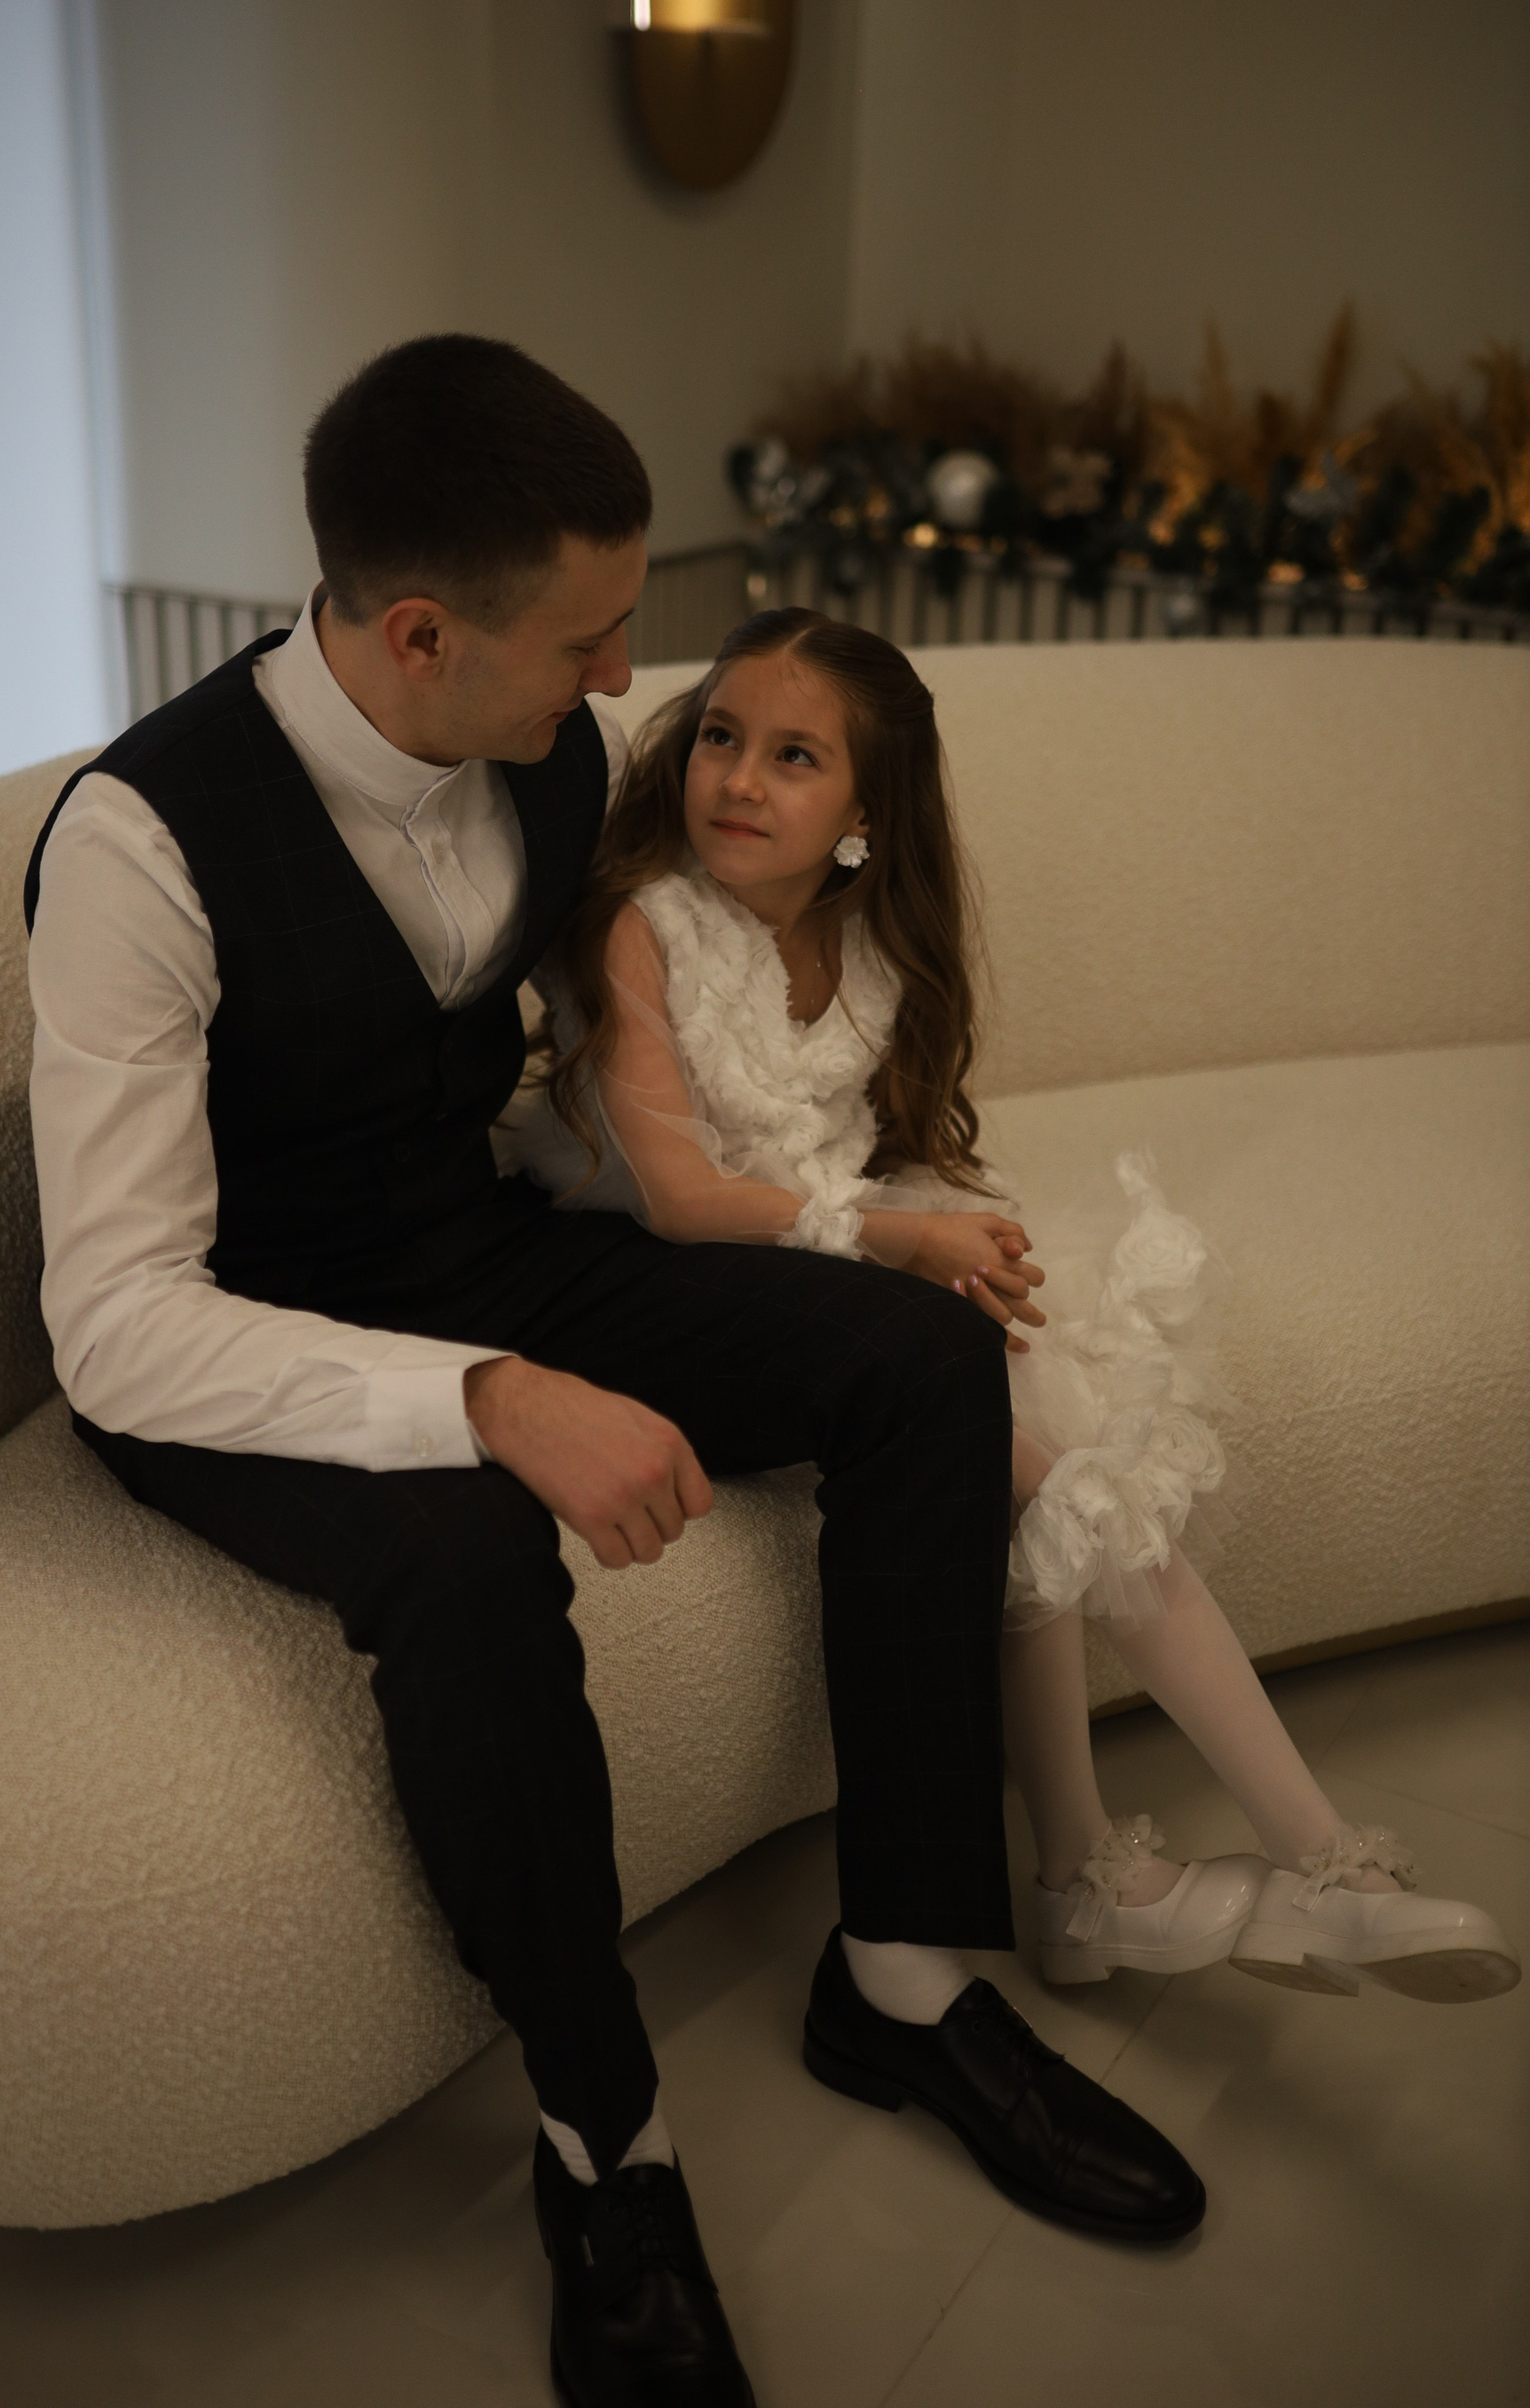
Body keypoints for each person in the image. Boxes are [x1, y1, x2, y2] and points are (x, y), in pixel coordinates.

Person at [24, 337, 1205, 2408]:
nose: (620, 678)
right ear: (419, 632)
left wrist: (838, 1185)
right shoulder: (142, 846)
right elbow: (119, 1318)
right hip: (238, 1336)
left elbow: (691, 989)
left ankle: (901, 1978)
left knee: (920, 1363)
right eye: (586, 638)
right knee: (474, 1562)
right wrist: (486, 1402)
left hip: (481, 1248)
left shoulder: (560, 756)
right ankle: (606, 2146)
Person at [509, 603, 1520, 2018]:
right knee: (1047, 1468)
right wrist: (900, 1237)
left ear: (867, 813)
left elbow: (846, 1148)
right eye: (722, 737)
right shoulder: (644, 926)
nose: (737, 779)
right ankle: (1294, 1861)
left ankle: (1108, 1867)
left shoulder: (862, 944)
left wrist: (936, 1242)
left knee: (1049, 1406)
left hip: (805, 1266)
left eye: (795, 757)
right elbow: (679, 1196)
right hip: (647, 1288)